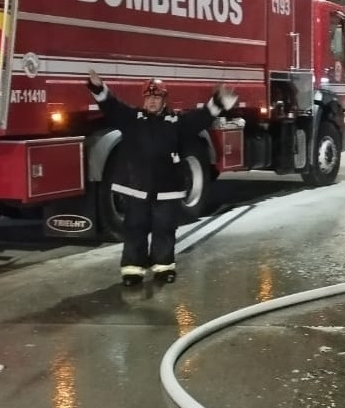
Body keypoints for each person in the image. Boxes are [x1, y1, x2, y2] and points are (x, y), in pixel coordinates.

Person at [86, 69, 237, 286]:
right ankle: (132, 271)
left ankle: (163, 268)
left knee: (164, 228)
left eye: (156, 97)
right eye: (149, 97)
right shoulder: (131, 119)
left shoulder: (176, 122)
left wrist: (218, 102)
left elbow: (201, 118)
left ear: (164, 100)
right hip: (136, 188)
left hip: (168, 190)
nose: (152, 102)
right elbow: (110, 105)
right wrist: (98, 87)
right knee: (135, 228)